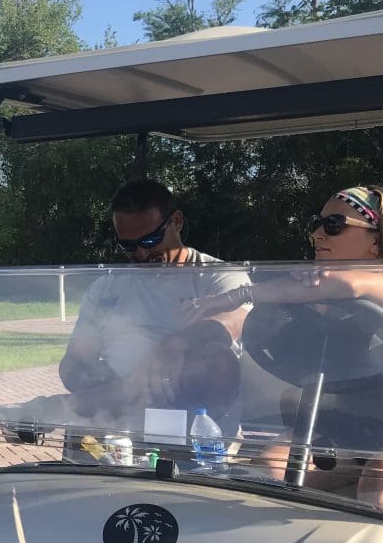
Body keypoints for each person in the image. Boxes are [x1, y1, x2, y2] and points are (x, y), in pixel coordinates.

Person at [182, 185, 383, 509]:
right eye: (316, 223)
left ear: (376, 240)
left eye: (334, 225)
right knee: (270, 468)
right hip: (349, 433)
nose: (317, 234)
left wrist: (236, 295)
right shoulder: (325, 296)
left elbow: (350, 284)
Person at [57, 179, 251, 423]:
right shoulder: (106, 288)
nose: (141, 253)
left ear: (176, 222)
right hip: (116, 418)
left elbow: (234, 320)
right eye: (128, 245)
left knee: (214, 359)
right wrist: (96, 380)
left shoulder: (217, 275)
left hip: (200, 425)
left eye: (149, 240)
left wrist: (173, 346)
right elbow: (74, 361)